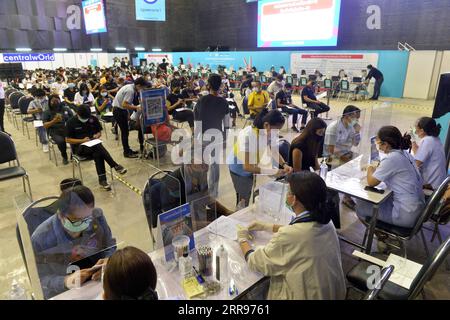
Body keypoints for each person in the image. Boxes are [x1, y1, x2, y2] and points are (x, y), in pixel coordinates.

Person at [237, 172, 346, 300]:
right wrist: (267, 226)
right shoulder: (326, 221)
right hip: (332, 292)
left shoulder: (290, 235)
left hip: (307, 295)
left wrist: (242, 239)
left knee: (254, 290)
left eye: (288, 192)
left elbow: (256, 262)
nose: (286, 195)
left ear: (294, 199)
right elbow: (302, 233)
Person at [31, 186, 116, 299]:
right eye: (77, 221)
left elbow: (110, 245)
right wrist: (65, 281)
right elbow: (39, 279)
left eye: (87, 218)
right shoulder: (41, 239)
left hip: (98, 282)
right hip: (66, 292)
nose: (84, 224)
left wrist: (109, 261)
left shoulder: (97, 216)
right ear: (61, 215)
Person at [356, 126, 425, 229]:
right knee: (382, 199)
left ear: (386, 144)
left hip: (405, 215)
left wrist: (371, 167)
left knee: (360, 206)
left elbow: (371, 182)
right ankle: (385, 237)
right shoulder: (406, 154)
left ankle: (383, 237)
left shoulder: (392, 159)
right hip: (418, 210)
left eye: (378, 142)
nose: (377, 146)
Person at [228, 109, 292, 207]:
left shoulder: (269, 132)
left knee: (248, 191)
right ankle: (239, 217)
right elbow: (247, 167)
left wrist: (284, 164)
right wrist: (271, 171)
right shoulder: (247, 135)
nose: (277, 132)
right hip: (238, 168)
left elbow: (274, 150)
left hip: (251, 165)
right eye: (276, 129)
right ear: (266, 125)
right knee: (243, 199)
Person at [65, 105, 127, 190]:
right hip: (80, 148)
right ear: (77, 114)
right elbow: (68, 140)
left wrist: (96, 135)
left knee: (97, 153)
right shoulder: (70, 122)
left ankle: (103, 181)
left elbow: (99, 132)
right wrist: (82, 141)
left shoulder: (93, 119)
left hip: (93, 145)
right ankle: (115, 165)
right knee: (98, 147)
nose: (85, 119)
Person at [324, 105, 362, 209]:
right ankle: (334, 193)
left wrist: (358, 132)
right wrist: (345, 158)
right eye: (355, 118)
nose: (356, 121)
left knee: (359, 164)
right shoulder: (334, 127)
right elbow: (329, 150)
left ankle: (347, 196)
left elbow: (355, 144)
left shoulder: (351, 127)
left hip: (345, 154)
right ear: (347, 116)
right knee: (350, 167)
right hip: (330, 157)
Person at [112, 77, 149, 158]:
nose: (143, 89)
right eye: (143, 87)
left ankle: (128, 150)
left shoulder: (131, 87)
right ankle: (126, 152)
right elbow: (124, 104)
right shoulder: (130, 90)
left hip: (122, 110)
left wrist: (128, 113)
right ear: (138, 85)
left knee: (126, 132)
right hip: (118, 111)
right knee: (125, 132)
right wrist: (136, 107)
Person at [411, 117, 447, 190]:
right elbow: (419, 154)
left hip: (431, 188)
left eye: (416, 129)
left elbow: (416, 163)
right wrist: (413, 140)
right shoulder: (434, 139)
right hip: (439, 184)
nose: (415, 132)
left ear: (422, 130)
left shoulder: (427, 141)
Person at [42, 95, 74, 165]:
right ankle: (64, 156)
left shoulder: (65, 109)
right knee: (61, 141)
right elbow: (45, 125)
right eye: (53, 101)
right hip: (54, 131)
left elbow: (73, 118)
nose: (55, 102)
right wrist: (54, 121)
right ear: (49, 102)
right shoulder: (47, 112)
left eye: (57, 100)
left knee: (77, 136)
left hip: (66, 128)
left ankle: (73, 155)